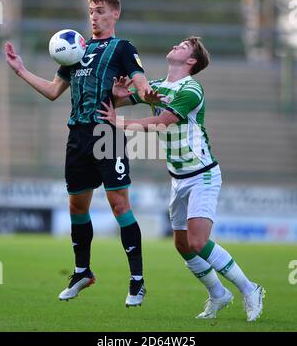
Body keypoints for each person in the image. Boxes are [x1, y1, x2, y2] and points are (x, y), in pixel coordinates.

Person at [98, 36, 265, 321]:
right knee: (182, 244)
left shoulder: (192, 89)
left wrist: (119, 123)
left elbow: (161, 122)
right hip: (178, 178)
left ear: (191, 61)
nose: (176, 46)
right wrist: (117, 93)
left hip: (203, 175)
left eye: (184, 47)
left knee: (198, 242)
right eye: (177, 44)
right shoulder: (158, 86)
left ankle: (250, 289)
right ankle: (218, 294)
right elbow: (121, 101)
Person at [4, 0, 152, 307]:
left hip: (105, 133)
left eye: (99, 11)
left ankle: (137, 281)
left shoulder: (122, 48)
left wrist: (145, 92)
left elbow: (141, 83)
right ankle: (82, 272)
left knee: (119, 206)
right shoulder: (76, 50)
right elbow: (53, 91)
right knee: (76, 207)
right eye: (90, 12)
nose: (93, 17)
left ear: (115, 14)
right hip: (77, 137)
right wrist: (20, 70)